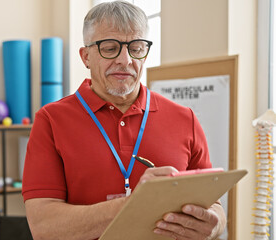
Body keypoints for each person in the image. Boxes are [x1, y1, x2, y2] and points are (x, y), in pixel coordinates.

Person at [22, 1, 227, 239]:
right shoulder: (50, 120)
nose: (125, 59)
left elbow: (214, 206)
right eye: (110, 48)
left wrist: (214, 226)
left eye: (136, 48)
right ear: (86, 56)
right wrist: (135, 205)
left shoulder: (186, 119)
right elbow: (44, 227)